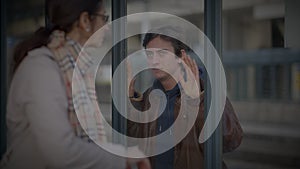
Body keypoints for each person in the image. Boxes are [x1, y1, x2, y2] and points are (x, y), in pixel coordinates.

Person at [0, 0, 150, 169]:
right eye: (103, 18)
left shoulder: (76, 68)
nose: (107, 27)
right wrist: (121, 158)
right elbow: (61, 152)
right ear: (85, 21)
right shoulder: (41, 68)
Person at [127, 26, 243, 169]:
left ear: (180, 56)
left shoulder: (208, 92)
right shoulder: (150, 98)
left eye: (162, 53)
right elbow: (134, 141)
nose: (154, 61)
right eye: (150, 54)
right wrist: (131, 98)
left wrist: (197, 100)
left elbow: (230, 140)